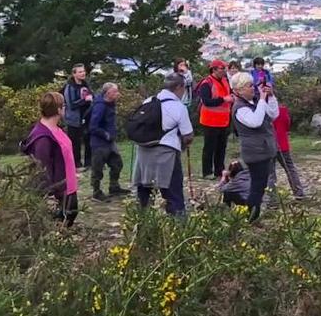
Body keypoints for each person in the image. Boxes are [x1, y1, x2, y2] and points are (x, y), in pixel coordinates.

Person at [133, 73, 194, 216]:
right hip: (167, 153)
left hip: (144, 151)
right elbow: (188, 135)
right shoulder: (178, 107)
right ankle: (178, 226)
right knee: (173, 192)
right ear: (179, 87)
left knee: (144, 191)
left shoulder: (149, 101)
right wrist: (184, 144)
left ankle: (142, 222)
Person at [21, 92, 79, 227]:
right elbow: (41, 170)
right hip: (59, 192)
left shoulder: (56, 129)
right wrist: (52, 196)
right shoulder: (43, 138)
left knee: (71, 216)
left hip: (69, 186)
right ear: (58, 110)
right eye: (63, 106)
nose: (65, 108)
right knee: (61, 225)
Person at [230, 72, 280, 222]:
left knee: (261, 184)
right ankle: (251, 216)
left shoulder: (255, 102)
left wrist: (270, 97)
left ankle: (250, 213)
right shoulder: (240, 108)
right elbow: (255, 121)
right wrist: (263, 100)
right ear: (238, 91)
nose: (253, 88)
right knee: (258, 186)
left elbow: (273, 114)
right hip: (254, 152)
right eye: (249, 86)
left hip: (264, 150)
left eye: (253, 85)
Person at [88, 83, 130, 201]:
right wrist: (105, 135)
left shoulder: (110, 104)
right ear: (108, 93)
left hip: (110, 142)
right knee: (98, 169)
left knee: (117, 164)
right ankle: (96, 192)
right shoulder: (100, 106)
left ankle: (114, 187)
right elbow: (93, 126)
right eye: (115, 91)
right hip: (99, 143)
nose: (118, 94)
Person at [197, 59, 234, 179]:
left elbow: (229, 94)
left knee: (221, 148)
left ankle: (219, 170)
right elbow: (206, 101)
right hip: (210, 121)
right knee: (209, 148)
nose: (224, 71)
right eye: (221, 68)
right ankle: (207, 172)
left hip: (224, 120)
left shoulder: (225, 81)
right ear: (214, 69)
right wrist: (224, 99)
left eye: (224, 68)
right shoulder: (206, 83)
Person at [271, 104, 307, 199]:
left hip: (269, 145)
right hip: (282, 144)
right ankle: (298, 192)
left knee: (271, 172)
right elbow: (287, 126)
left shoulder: (263, 110)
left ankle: (272, 197)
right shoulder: (282, 110)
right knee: (290, 168)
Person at [62, 64, 93, 169]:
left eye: (83, 71)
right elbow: (71, 104)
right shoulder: (69, 87)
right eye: (80, 72)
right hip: (74, 119)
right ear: (74, 74)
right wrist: (84, 100)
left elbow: (91, 96)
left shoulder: (85, 85)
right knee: (75, 143)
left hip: (87, 117)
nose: (83, 73)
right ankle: (76, 164)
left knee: (89, 140)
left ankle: (89, 163)